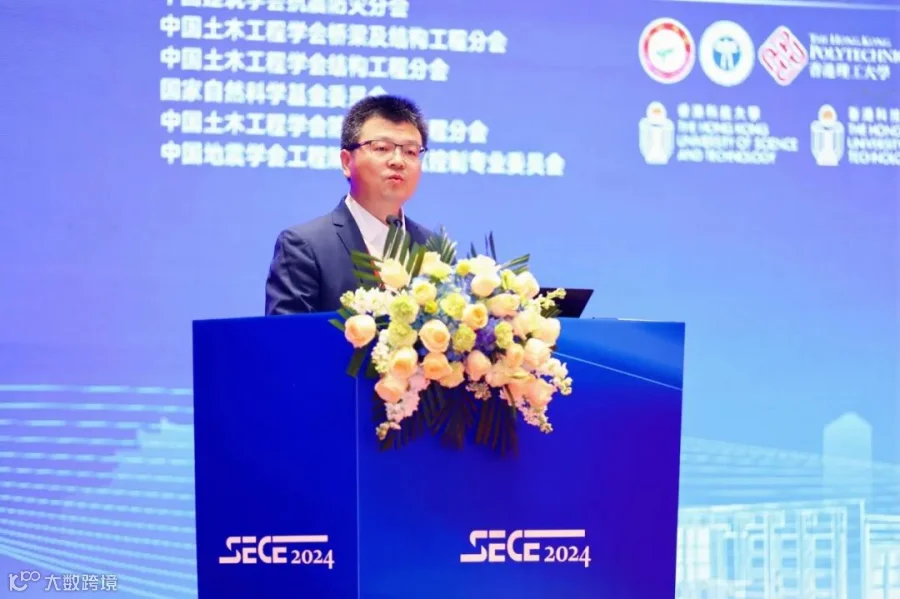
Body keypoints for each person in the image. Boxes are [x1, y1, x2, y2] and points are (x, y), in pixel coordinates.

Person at [264, 95, 433, 315]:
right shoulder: (305, 247)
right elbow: (289, 335)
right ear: (346, 162)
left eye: (410, 151)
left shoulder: (432, 248)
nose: (398, 161)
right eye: (382, 148)